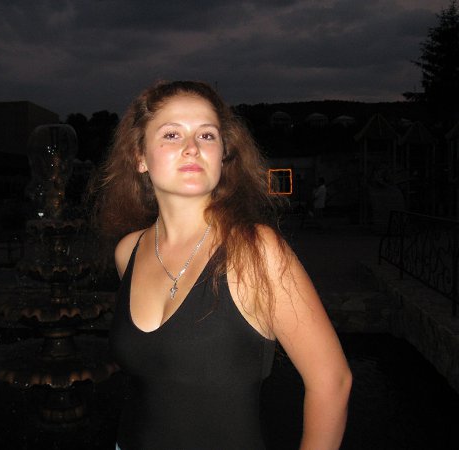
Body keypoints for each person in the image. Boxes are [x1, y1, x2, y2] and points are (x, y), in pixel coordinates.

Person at [94, 80, 351, 449]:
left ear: (223, 155)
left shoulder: (255, 251)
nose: (192, 147)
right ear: (140, 156)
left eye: (207, 135)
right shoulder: (128, 251)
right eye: (171, 134)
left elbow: (332, 381)